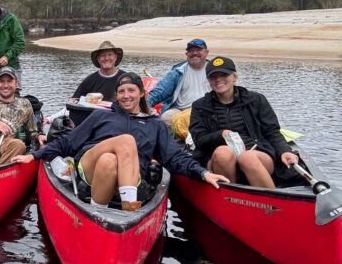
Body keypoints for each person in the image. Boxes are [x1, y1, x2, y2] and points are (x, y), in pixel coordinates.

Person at [13, 72, 228, 211]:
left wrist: (203, 172)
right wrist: (33, 155)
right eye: (121, 92)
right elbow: (67, 143)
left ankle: (98, 212)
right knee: (124, 142)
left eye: (131, 91)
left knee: (110, 160)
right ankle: (128, 207)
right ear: (116, 96)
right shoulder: (101, 116)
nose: (126, 96)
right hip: (90, 171)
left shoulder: (155, 125)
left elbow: (175, 157)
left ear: (142, 94)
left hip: (131, 178)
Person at [190, 56, 300, 189]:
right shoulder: (200, 106)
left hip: (257, 153)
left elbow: (272, 131)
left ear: (234, 77)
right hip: (217, 160)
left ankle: (272, 203)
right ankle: (231, 197)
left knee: (247, 157)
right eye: (213, 76)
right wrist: (220, 135)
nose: (218, 79)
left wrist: (285, 151)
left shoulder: (256, 99)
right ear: (209, 81)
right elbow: (199, 141)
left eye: (224, 74)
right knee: (223, 152)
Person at [148, 38, 211, 126]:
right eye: (191, 51)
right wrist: (144, 105)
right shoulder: (177, 72)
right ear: (187, 54)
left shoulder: (215, 71)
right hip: (181, 110)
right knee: (165, 118)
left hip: (208, 110)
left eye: (198, 50)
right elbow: (159, 92)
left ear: (206, 52)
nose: (195, 53)